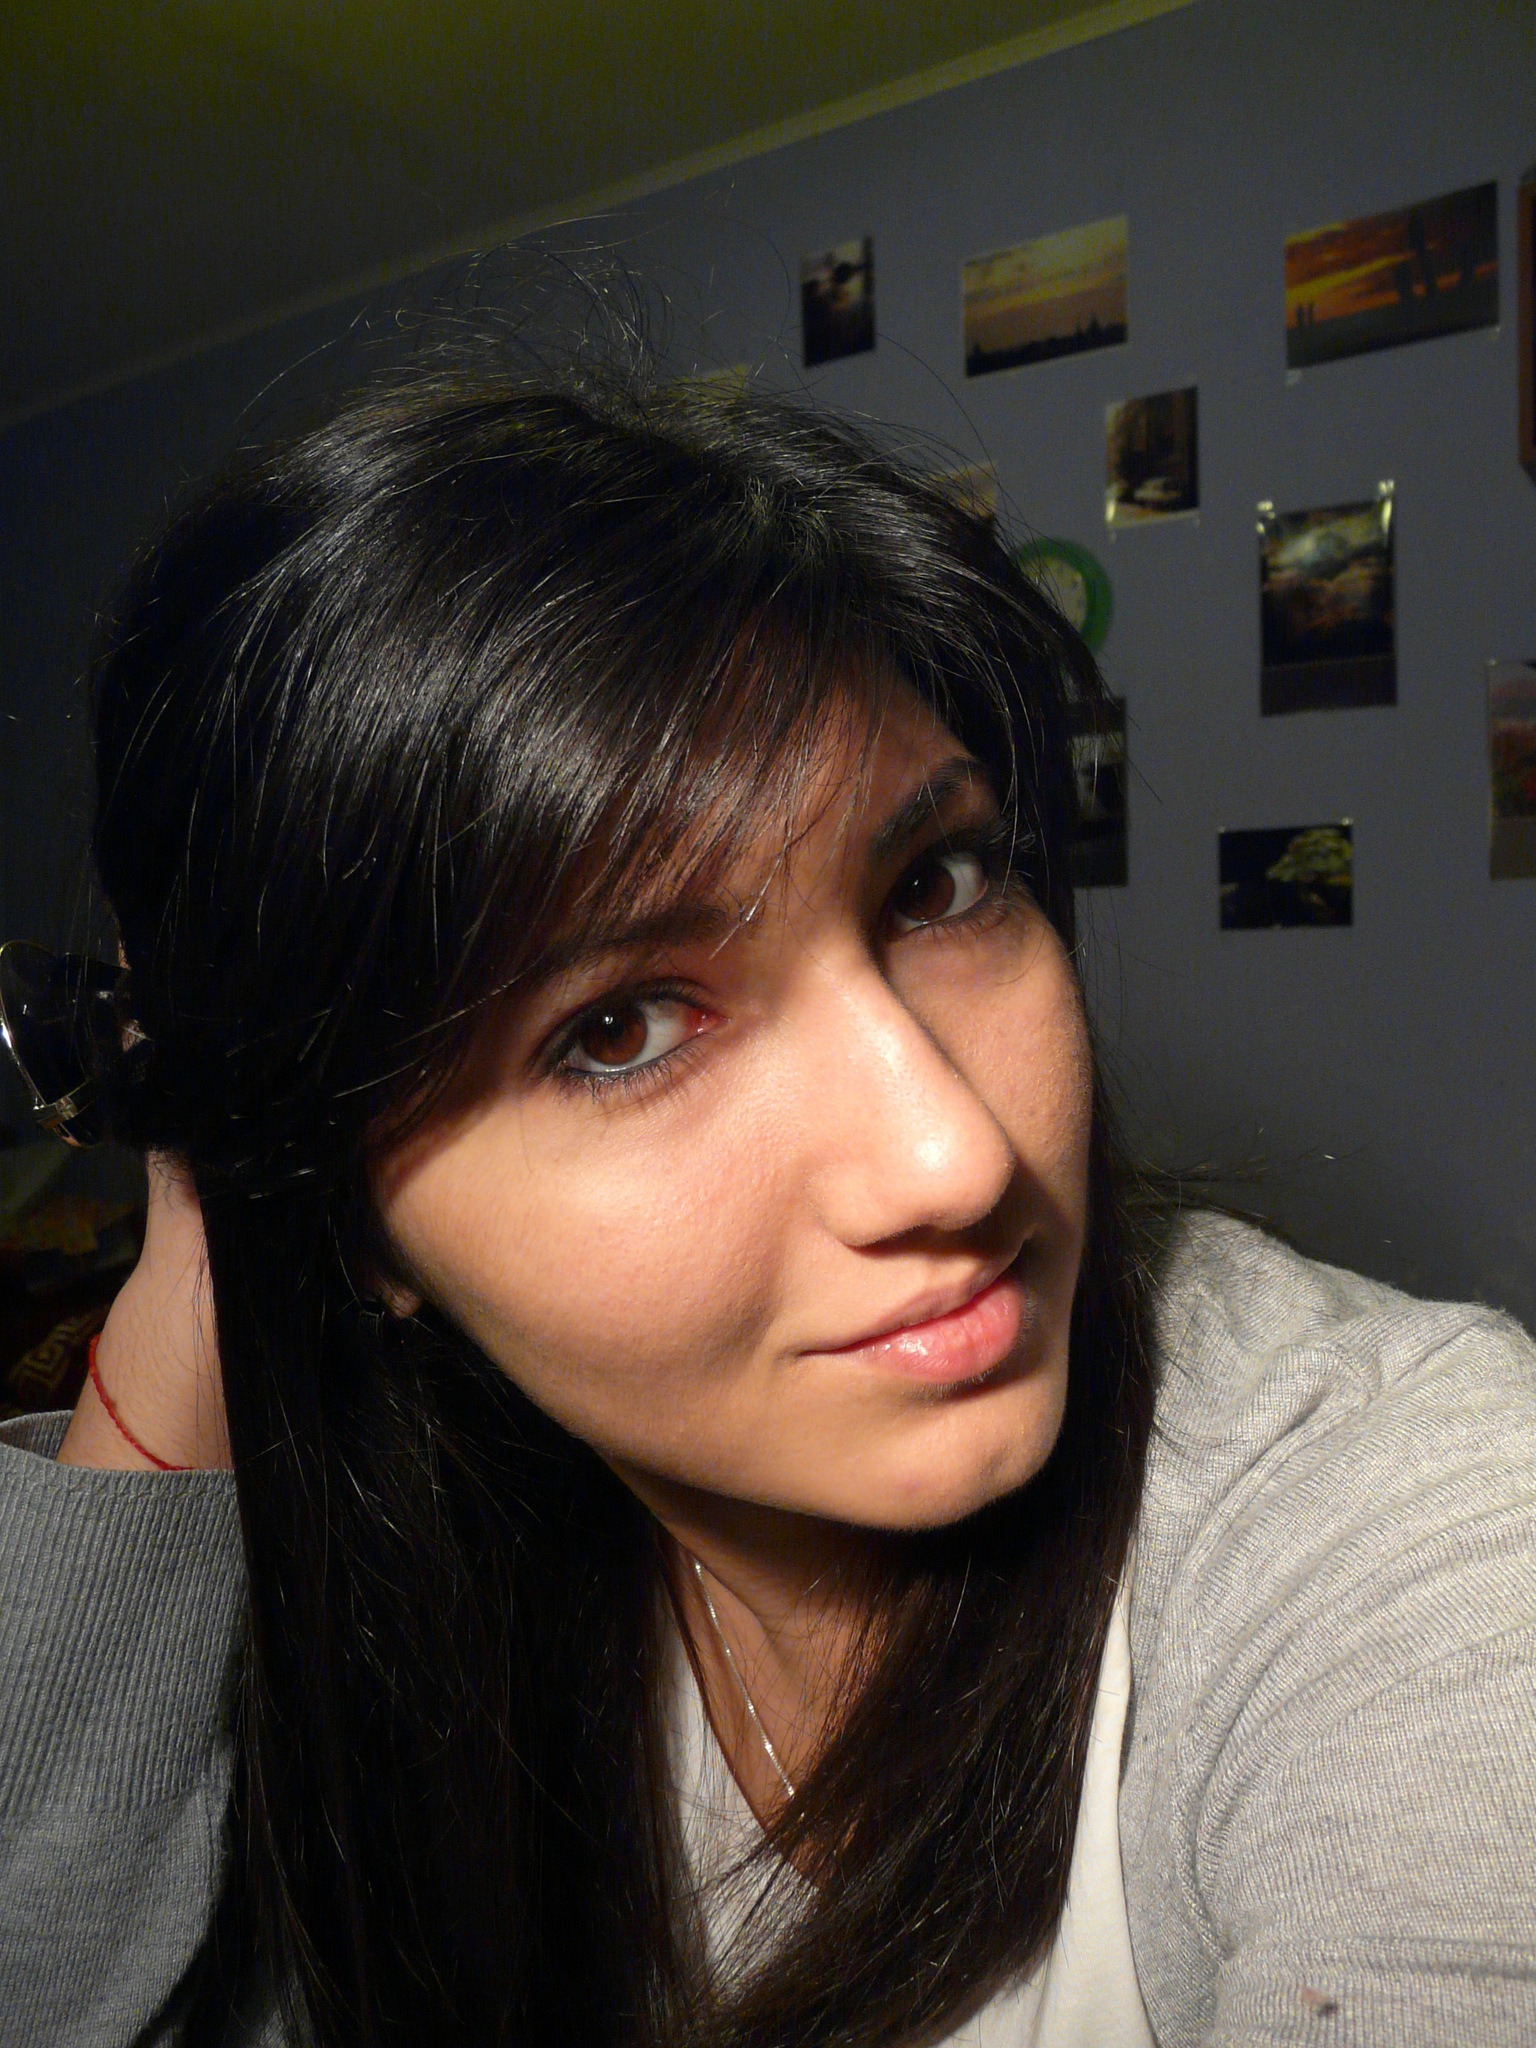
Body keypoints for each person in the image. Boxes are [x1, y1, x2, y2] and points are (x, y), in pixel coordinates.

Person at [0, 373, 1532, 2048]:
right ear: (351, 1225)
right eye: (619, 1029)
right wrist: (215, 1196)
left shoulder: (1408, 1526)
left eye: (937, 884)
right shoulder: (442, 1565)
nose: (955, 1157)